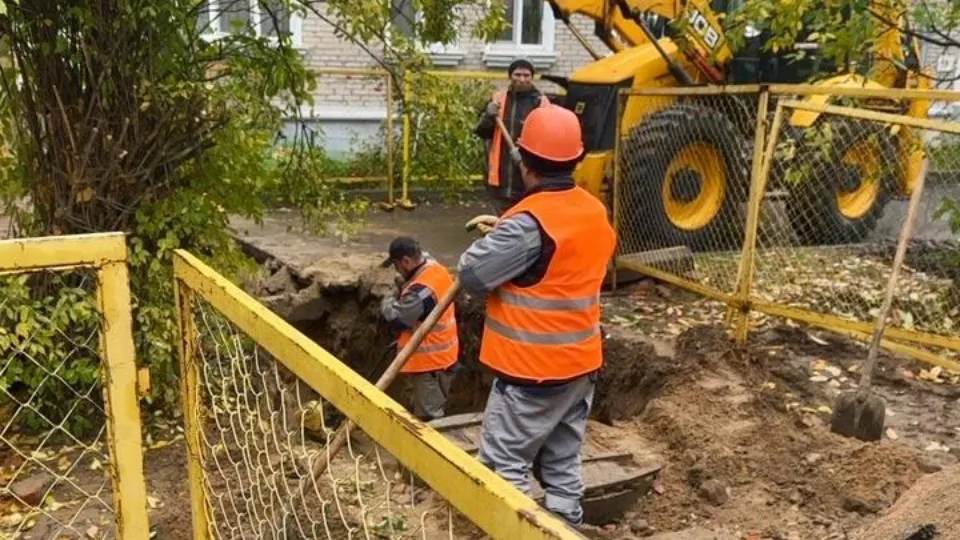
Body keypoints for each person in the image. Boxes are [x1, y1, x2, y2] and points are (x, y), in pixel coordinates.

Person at [457, 104, 617, 527]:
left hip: (533, 371)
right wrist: (511, 231)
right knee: (563, 458)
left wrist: (511, 235)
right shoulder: (592, 211)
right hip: (581, 363)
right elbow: (556, 265)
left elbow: (473, 274)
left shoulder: (527, 227)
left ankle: (515, 532)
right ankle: (566, 524)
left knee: (503, 461)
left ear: (525, 163)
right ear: (577, 160)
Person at [379, 236, 459, 421]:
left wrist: (389, 296)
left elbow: (396, 318)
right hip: (446, 358)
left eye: (396, 265)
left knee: (430, 420)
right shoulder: (436, 269)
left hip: (429, 366)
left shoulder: (421, 292)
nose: (396, 270)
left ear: (406, 261)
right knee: (433, 409)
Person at [474, 58, 551, 215]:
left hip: (527, 178)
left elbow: (547, 139)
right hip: (500, 179)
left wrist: (524, 154)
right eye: (517, 74)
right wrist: (488, 115)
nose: (522, 79)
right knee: (501, 224)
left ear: (532, 77)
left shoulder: (540, 103)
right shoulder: (498, 100)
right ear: (510, 76)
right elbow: (481, 131)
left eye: (526, 75)